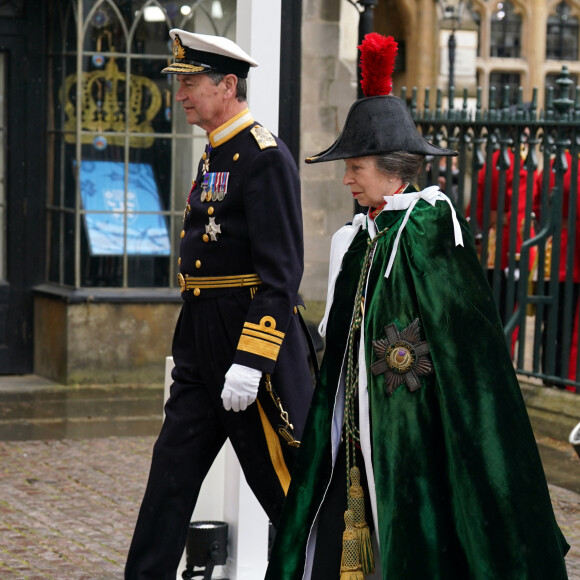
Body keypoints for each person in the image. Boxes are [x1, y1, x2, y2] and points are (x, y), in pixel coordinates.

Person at [265, 33, 569, 580]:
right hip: (354, 423)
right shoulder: (357, 238)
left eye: (355, 166)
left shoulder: (431, 230)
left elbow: (470, 360)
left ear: (389, 167)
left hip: (418, 430)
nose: (347, 177)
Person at [125, 30, 313, 579]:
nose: (180, 94)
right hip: (201, 338)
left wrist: (253, 361)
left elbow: (281, 275)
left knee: (287, 486)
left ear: (228, 85)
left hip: (249, 343)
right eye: (179, 84)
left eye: (191, 83)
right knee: (170, 477)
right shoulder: (216, 153)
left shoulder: (264, 157)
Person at [534, 150, 580, 390]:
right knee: (568, 327)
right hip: (572, 256)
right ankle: (564, 377)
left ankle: (549, 375)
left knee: (551, 323)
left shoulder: (552, 165)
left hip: (551, 251)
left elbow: (536, 204)